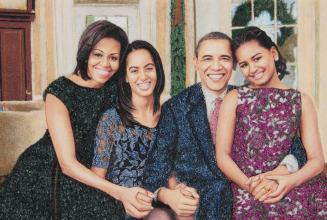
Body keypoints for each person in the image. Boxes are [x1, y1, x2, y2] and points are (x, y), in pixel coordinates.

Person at [142, 31, 306, 219]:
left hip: (255, 200)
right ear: (196, 62)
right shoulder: (175, 108)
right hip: (199, 208)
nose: (216, 66)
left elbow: (296, 148)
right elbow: (154, 170)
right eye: (207, 59)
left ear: (235, 64)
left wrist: (280, 172)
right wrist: (169, 195)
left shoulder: (250, 99)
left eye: (225, 58)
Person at [0, 20, 131, 219]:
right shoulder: (60, 91)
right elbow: (68, 163)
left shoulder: (118, 89)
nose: (105, 64)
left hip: (95, 171)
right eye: (98, 55)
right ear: (85, 53)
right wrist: (118, 191)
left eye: (114, 57)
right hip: (50, 172)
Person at [216, 26, 327, 219]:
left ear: (273, 53)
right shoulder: (234, 98)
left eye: (257, 58)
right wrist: (252, 186)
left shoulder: (302, 100)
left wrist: (289, 181)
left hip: (290, 184)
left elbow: (316, 160)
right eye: (244, 64)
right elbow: (222, 156)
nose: (252, 69)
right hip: (247, 187)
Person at [91, 40, 167, 219]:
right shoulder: (112, 119)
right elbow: (97, 181)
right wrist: (124, 197)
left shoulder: (171, 116)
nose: (143, 76)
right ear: (125, 76)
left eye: (149, 68)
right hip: (120, 206)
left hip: (162, 203)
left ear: (157, 71)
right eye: (134, 70)